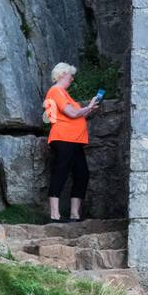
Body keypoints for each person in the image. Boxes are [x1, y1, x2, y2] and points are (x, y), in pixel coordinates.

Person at [43, 63, 100, 223]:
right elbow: (72, 113)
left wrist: (89, 109)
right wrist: (86, 107)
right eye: (70, 76)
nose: (72, 79)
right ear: (62, 75)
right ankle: (55, 215)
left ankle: (75, 215)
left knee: (82, 174)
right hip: (63, 138)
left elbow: (77, 114)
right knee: (60, 172)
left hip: (74, 140)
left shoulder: (64, 93)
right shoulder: (56, 91)